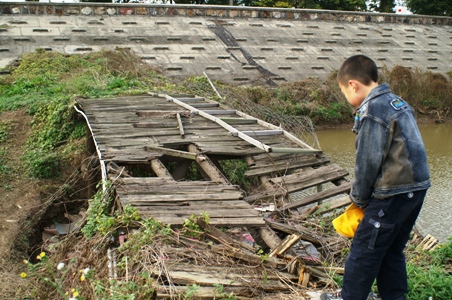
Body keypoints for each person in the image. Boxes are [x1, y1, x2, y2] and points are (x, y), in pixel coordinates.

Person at [321, 55, 431, 300]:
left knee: (364, 250)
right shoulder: (397, 102)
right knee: (391, 249)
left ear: (353, 85)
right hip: (416, 189)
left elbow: (367, 161)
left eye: (343, 91)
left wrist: (358, 200)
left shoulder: (372, 110)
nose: (347, 99)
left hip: (392, 191)